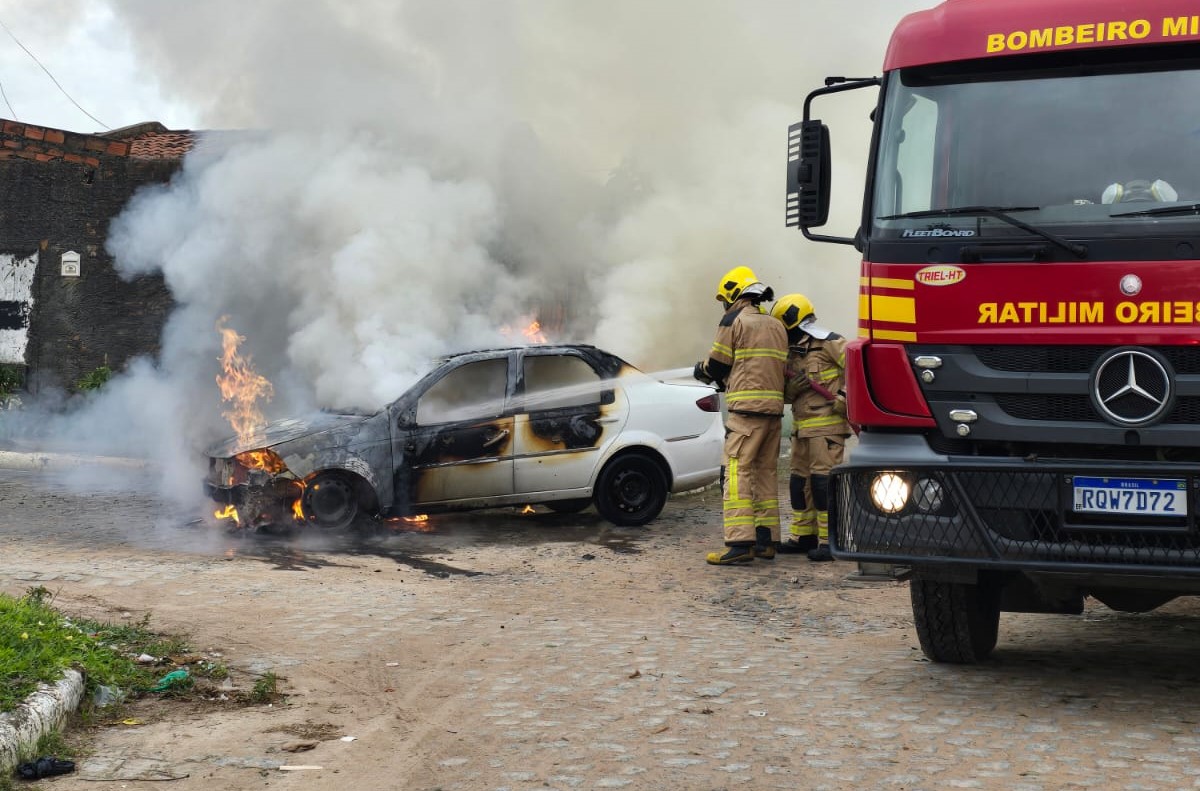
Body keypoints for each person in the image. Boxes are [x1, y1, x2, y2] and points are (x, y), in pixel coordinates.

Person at [694, 266, 788, 565]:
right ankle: (766, 541)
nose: (725, 305)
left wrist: (703, 370)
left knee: (735, 472)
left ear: (735, 293)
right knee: (764, 474)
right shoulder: (775, 324)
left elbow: (719, 365)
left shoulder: (734, 320)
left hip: (746, 414)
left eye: (726, 298)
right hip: (773, 414)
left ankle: (739, 543)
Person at [771, 293, 850, 562]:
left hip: (827, 430)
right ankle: (803, 537)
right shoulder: (790, 354)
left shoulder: (830, 343)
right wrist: (789, 391)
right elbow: (786, 394)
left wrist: (845, 396)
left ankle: (831, 541)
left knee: (822, 484)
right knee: (799, 484)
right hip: (802, 429)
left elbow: (859, 369)